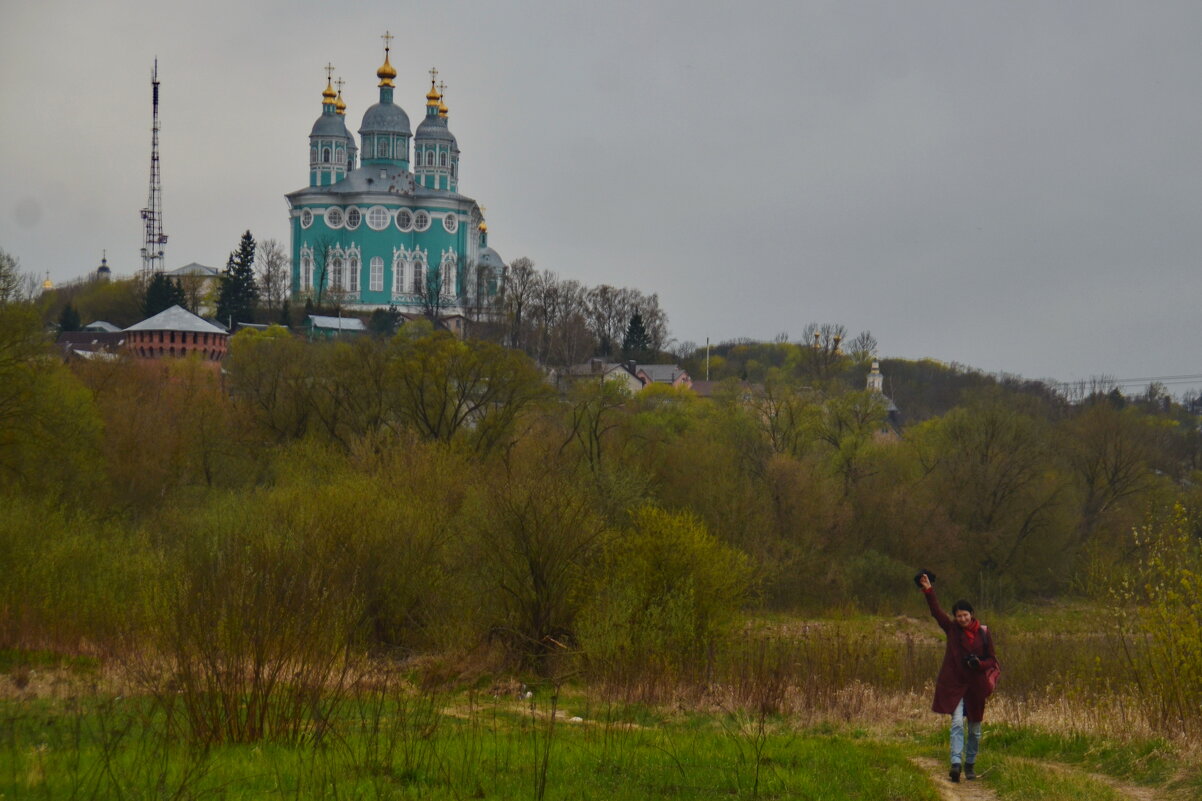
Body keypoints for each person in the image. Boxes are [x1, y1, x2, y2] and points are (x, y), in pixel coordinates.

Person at [917, 572, 999, 783]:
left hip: (976, 687)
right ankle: (955, 764)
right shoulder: (952, 629)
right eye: (958, 616)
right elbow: (936, 612)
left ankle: (969, 764)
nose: (962, 619)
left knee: (975, 730)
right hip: (955, 685)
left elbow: (992, 660)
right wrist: (928, 589)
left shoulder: (983, 632)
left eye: (965, 615)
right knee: (956, 724)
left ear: (971, 614)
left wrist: (978, 664)